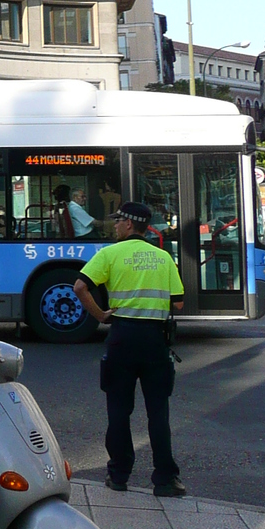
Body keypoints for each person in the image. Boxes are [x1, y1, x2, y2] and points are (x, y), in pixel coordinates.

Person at [73, 200, 186, 498]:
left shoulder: (109, 254)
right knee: (158, 413)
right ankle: (164, 480)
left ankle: (119, 475)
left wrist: (99, 316)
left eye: (118, 220)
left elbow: (79, 287)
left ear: (128, 224)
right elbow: (178, 303)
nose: (114, 225)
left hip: (122, 337)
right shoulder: (163, 257)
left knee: (119, 411)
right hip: (155, 341)